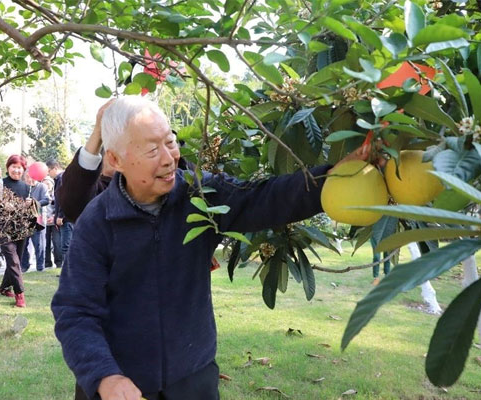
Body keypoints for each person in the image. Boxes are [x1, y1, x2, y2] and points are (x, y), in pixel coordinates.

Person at [51, 96, 373, 400]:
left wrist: (331, 177)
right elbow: (76, 312)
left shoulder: (200, 195)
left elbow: (265, 197)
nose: (168, 158)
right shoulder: (98, 221)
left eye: (170, 141)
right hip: (121, 385)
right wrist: (105, 377)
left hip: (193, 379)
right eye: (152, 150)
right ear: (116, 159)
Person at [0, 154, 31, 307]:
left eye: (20, 168)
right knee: (14, 261)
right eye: (14, 167)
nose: (17, 170)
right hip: (4, 228)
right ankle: (20, 294)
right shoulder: (0, 184)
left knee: (16, 260)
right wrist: (3, 205)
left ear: (23, 169)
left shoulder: (26, 187)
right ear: (8, 167)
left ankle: (4, 288)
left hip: (22, 227)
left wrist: (31, 204)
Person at [20, 172, 50, 272]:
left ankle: (40, 267)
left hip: (38, 220)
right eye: (27, 177)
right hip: (24, 220)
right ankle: (24, 265)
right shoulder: (23, 187)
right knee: (23, 245)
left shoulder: (42, 187)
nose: (30, 179)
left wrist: (33, 203)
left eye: (32, 177)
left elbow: (46, 200)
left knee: (39, 245)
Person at [47, 159, 73, 263]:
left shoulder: (63, 178)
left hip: (66, 218)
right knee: (65, 246)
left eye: (49, 171)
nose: (48, 174)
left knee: (66, 246)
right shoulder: (59, 179)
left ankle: (68, 271)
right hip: (65, 217)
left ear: (55, 168)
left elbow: (65, 198)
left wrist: (60, 215)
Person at [43, 176, 62, 269]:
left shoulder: (56, 195)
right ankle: (47, 262)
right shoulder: (41, 194)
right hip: (44, 222)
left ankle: (58, 262)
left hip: (54, 222)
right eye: (44, 183)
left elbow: (59, 207)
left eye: (48, 183)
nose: (46, 185)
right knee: (45, 243)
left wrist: (54, 216)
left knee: (57, 242)